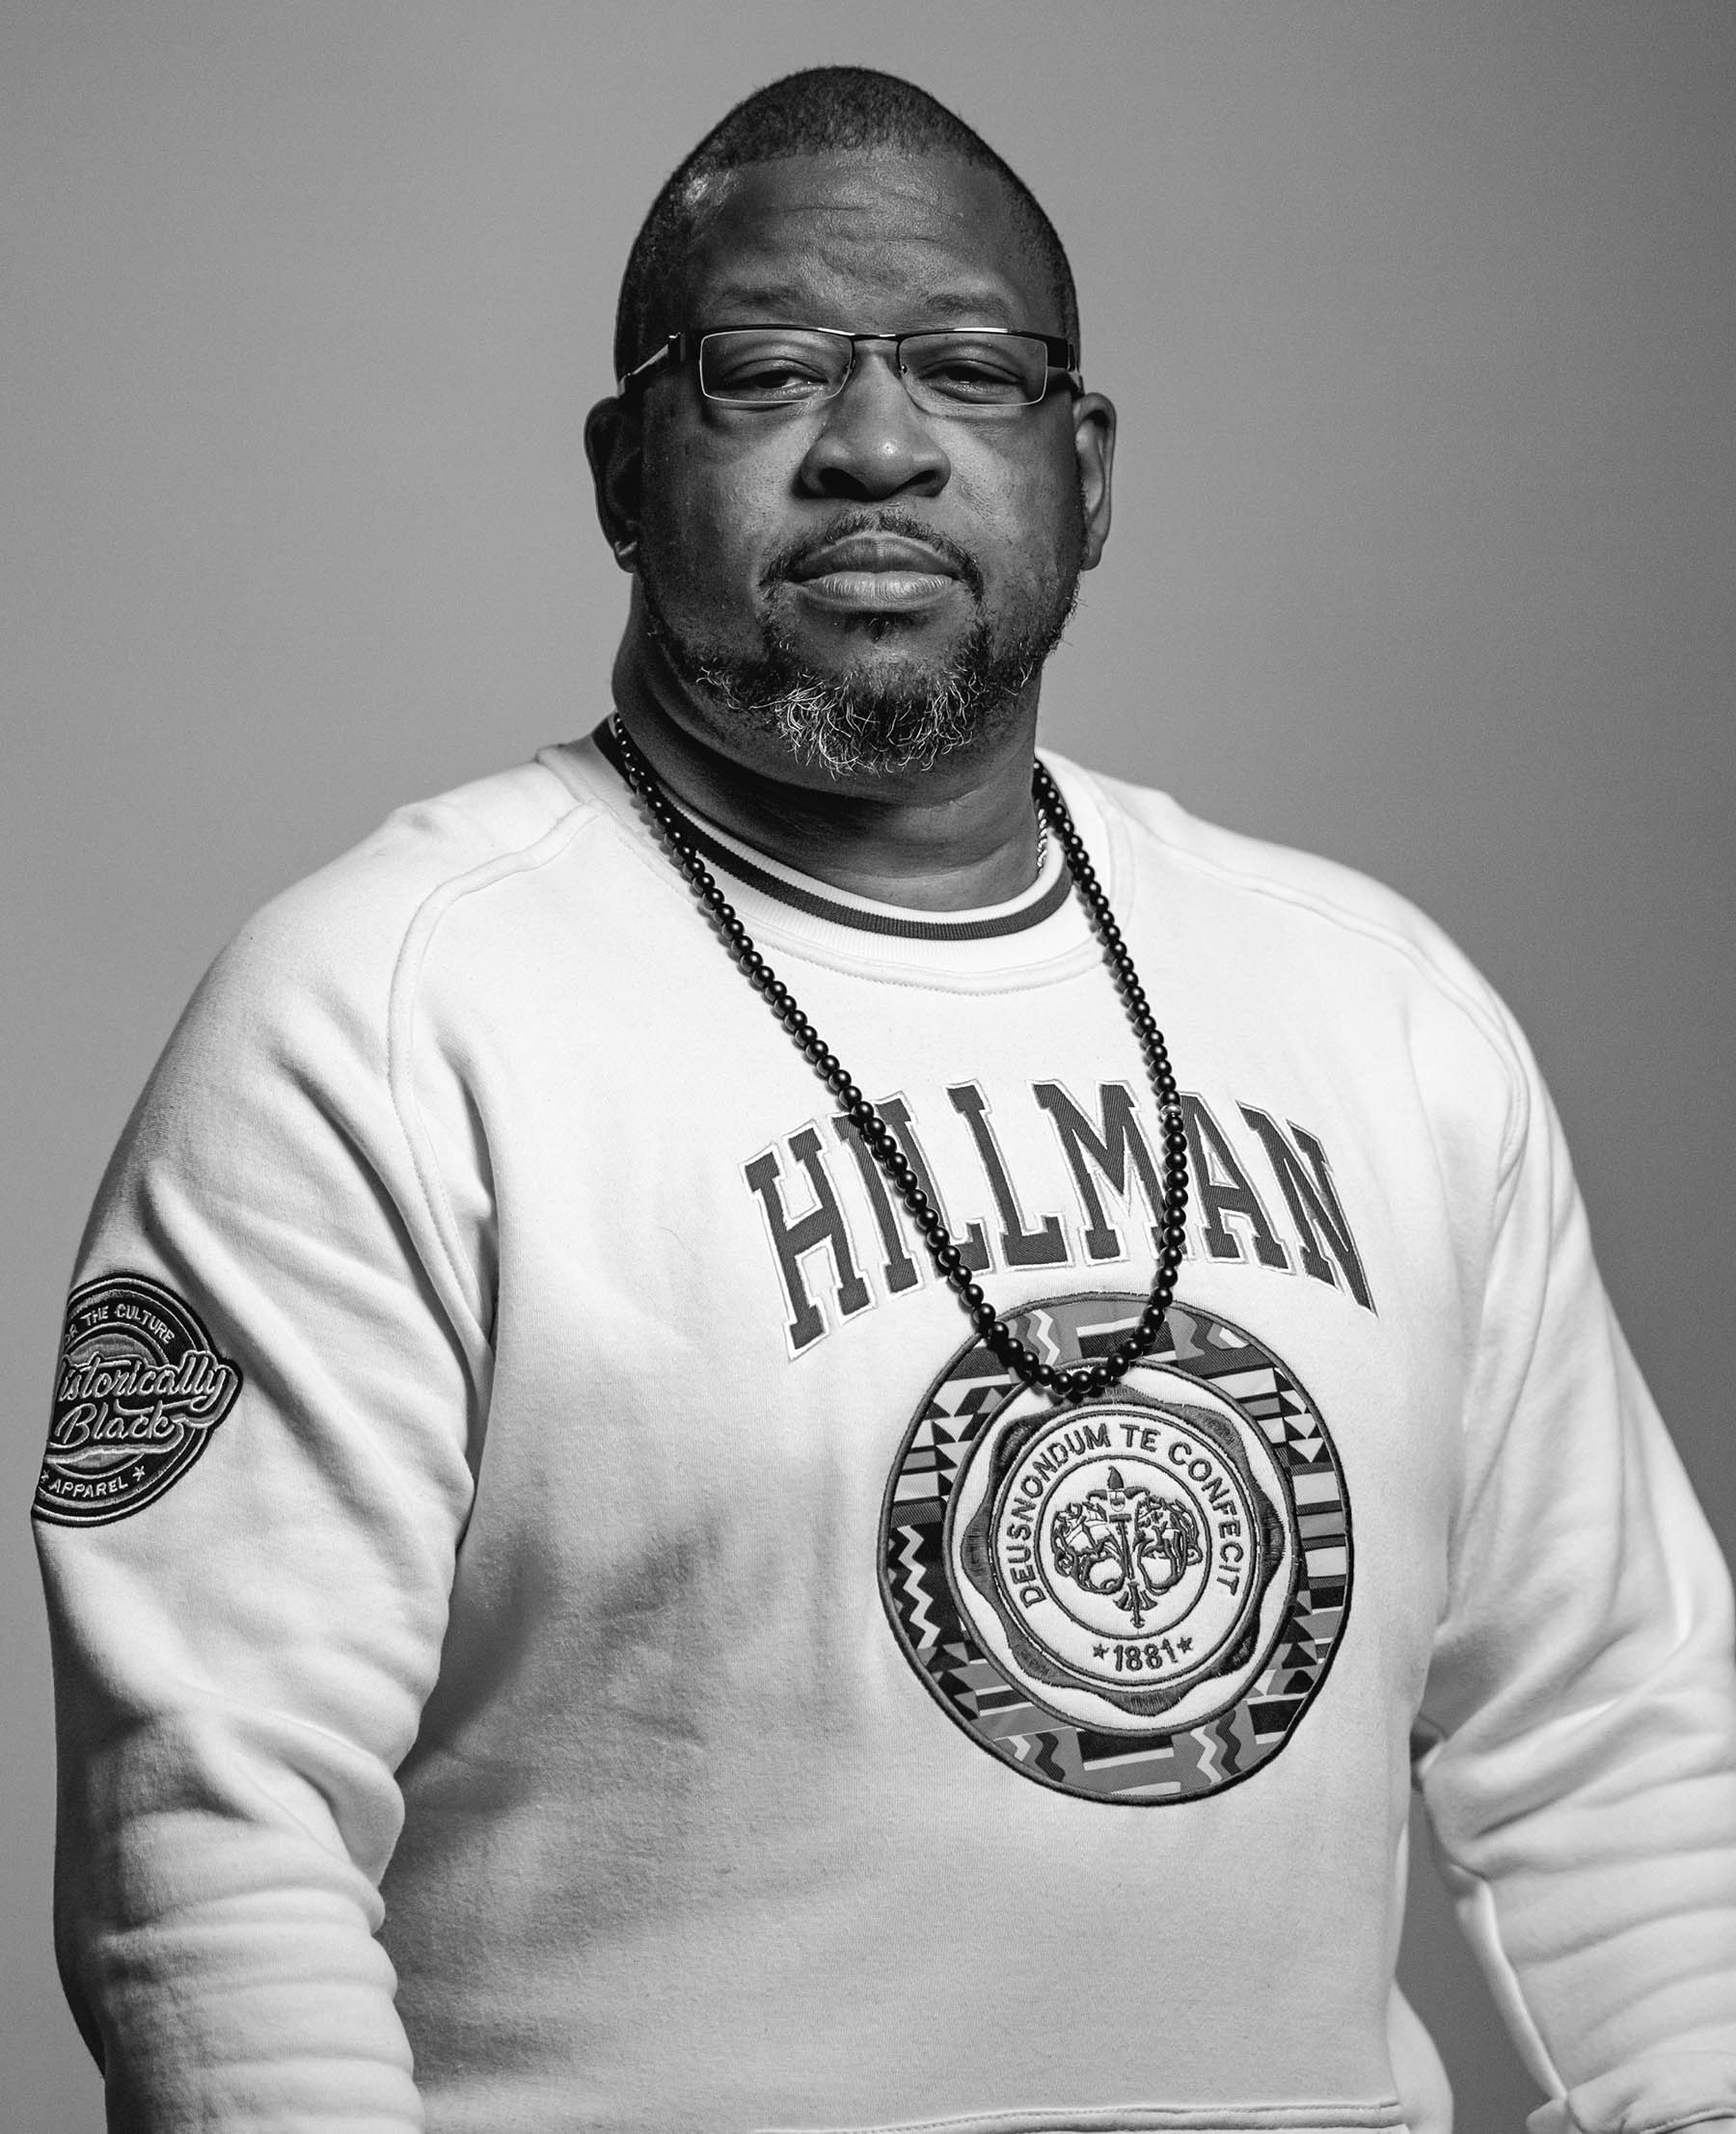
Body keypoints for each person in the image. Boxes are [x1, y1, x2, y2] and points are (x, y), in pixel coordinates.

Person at [33, 64, 1736, 2134]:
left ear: (1084, 470)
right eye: (761, 373)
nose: (876, 444)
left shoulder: (1379, 1010)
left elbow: (1621, 1748)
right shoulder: (381, 1010)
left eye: (969, 367)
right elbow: (209, 1844)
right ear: (621, 470)